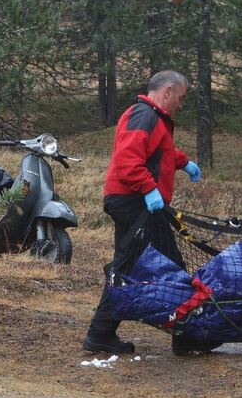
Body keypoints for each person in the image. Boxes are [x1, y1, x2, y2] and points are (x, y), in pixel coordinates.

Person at [83, 70, 204, 356]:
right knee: (163, 267)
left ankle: (101, 333)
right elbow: (128, 160)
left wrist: (184, 163)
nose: (181, 105)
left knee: (131, 266)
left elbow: (158, 153)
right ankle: (185, 335)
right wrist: (149, 189)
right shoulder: (144, 116)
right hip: (134, 203)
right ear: (167, 92)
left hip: (135, 203)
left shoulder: (151, 118)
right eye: (181, 98)